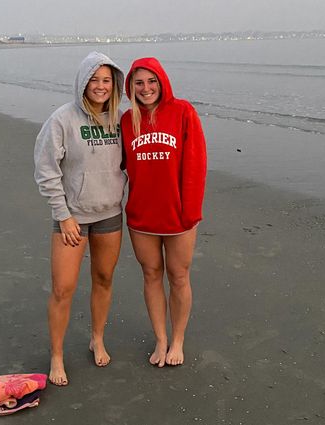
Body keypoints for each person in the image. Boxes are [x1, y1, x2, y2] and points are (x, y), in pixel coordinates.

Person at [34, 52, 126, 386]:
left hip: (110, 215)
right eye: (94, 79)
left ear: (113, 84)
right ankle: (56, 356)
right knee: (63, 288)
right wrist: (64, 215)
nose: (100, 86)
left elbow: (136, 163)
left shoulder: (120, 119)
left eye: (106, 80)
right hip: (72, 218)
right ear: (83, 81)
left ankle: (96, 338)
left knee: (103, 279)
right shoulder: (62, 119)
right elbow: (46, 170)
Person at [121, 57, 207, 367]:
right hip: (142, 216)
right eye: (139, 82)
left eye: (152, 81)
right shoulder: (126, 120)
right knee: (151, 274)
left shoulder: (183, 111)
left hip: (179, 216)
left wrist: (190, 212)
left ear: (162, 82)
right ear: (131, 86)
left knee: (179, 276)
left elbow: (196, 164)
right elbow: (115, 167)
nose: (146, 88)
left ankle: (178, 339)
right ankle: (160, 339)